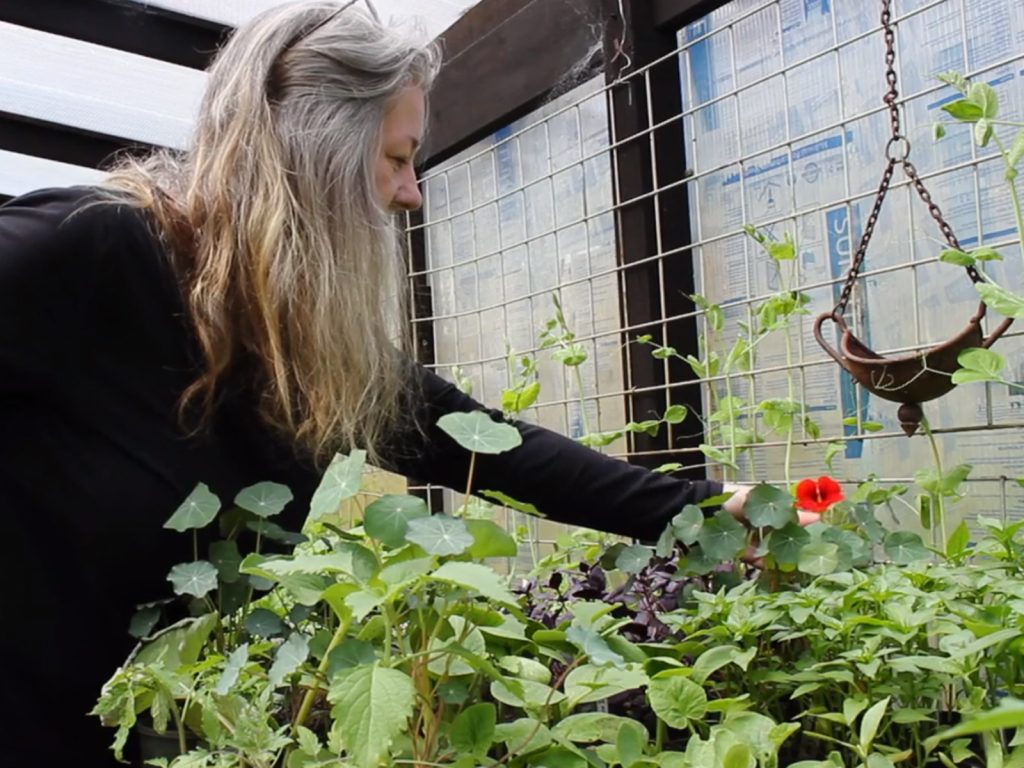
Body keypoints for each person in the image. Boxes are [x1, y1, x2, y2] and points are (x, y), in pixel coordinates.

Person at [0, 2, 771, 763]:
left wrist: (711, 510)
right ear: (318, 150)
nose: (412, 192)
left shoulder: (292, 341)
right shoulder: (91, 251)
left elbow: (487, 445)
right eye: (398, 157)